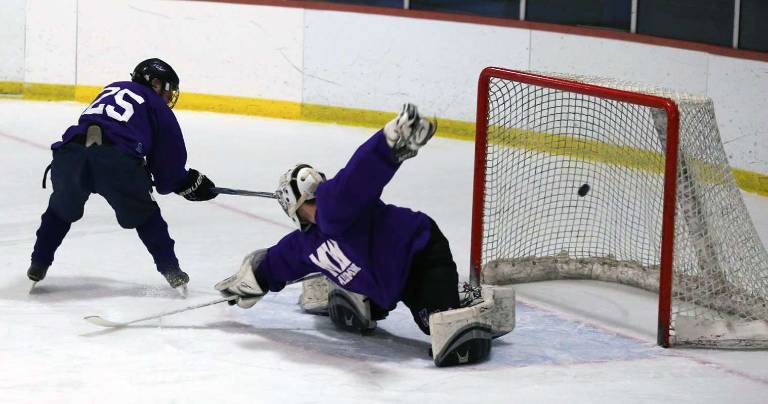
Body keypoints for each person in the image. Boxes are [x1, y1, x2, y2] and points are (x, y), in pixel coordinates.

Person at [215, 104, 515, 367]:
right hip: (382, 276)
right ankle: (356, 295)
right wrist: (254, 281)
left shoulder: (335, 205)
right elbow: (278, 261)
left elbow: (359, 174)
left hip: (419, 257)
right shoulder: (306, 243)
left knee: (439, 327)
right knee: (361, 299)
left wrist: (389, 143)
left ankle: (477, 303)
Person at [27, 58, 218, 296]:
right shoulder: (155, 105)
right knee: (146, 216)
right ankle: (172, 272)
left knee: (59, 210)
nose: (169, 98)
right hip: (115, 162)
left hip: (70, 154)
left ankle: (38, 264)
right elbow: (168, 165)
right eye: (168, 90)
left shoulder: (112, 87)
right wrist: (186, 182)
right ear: (156, 83)